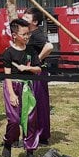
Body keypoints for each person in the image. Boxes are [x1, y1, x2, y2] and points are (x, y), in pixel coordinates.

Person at [2, 18, 43, 157]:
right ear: (14, 35)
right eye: (23, 34)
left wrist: (28, 68)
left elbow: (38, 69)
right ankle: (8, 142)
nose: (26, 37)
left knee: (30, 119)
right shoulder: (8, 53)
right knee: (14, 119)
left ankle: (30, 149)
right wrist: (11, 94)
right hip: (12, 86)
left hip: (27, 87)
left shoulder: (31, 51)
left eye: (28, 34)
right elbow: (7, 75)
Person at [23, 8, 53, 145]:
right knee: (30, 102)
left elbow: (49, 46)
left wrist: (38, 59)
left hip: (38, 73)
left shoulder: (37, 34)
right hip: (31, 72)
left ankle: (42, 135)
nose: (23, 19)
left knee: (39, 103)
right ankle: (32, 133)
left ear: (35, 22)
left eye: (27, 18)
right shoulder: (28, 34)